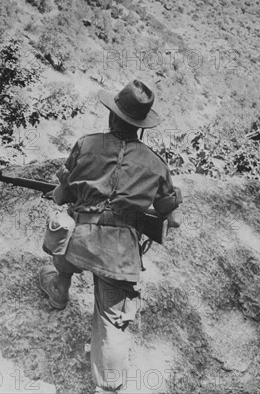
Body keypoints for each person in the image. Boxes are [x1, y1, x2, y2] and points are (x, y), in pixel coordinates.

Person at [38, 80, 182, 393]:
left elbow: (61, 198)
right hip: (119, 257)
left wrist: (64, 188)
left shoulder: (86, 144)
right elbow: (168, 210)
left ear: (113, 116)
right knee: (112, 325)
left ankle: (59, 288)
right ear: (140, 126)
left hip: (78, 242)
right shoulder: (156, 164)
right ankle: (109, 387)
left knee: (62, 229)